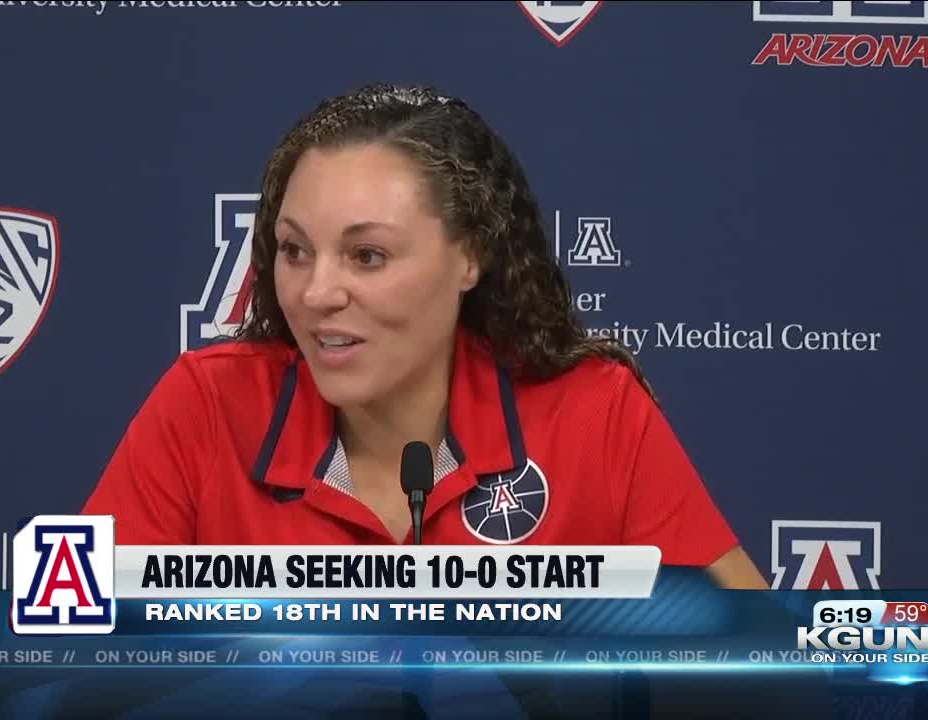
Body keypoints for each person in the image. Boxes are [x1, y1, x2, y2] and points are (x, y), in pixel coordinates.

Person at [82, 83, 767, 589]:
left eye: (367, 256)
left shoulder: (597, 413)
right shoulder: (204, 404)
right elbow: (45, 662)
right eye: (294, 251)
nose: (316, 293)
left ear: (471, 256)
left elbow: (764, 675)